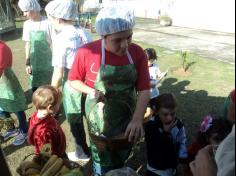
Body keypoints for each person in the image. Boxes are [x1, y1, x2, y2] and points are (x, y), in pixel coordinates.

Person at [68, 7, 150, 175]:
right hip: (98, 120)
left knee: (122, 152)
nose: (125, 45)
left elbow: (144, 89)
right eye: (118, 40)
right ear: (103, 36)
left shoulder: (137, 53)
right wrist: (91, 91)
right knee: (102, 158)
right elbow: (73, 80)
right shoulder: (86, 52)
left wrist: (136, 120)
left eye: (129, 37)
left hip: (127, 116)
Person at [45, 0, 92, 162]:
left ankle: (82, 152)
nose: (50, 22)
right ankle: (98, 146)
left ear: (58, 18)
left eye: (50, 18)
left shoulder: (61, 39)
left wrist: (51, 93)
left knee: (74, 120)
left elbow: (58, 72)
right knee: (91, 117)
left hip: (73, 83)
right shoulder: (85, 32)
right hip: (90, 82)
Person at [190, 89, 235, 176]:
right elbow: (187, 160)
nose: (221, 144)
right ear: (207, 137)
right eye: (216, 139)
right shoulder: (196, 147)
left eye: (225, 139)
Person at [145, 93, 188, 176]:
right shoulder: (151, 126)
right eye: (165, 114)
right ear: (156, 111)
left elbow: (182, 140)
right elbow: (155, 148)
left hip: (171, 168)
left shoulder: (178, 125)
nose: (170, 118)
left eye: (173, 114)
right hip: (155, 170)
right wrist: (166, 133)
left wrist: (183, 158)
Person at [18, 0, 53, 92]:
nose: (24, 14)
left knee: (48, 87)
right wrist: (27, 62)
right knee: (36, 88)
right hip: (34, 62)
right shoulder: (27, 24)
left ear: (33, 9)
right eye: (23, 11)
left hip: (47, 62)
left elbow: (53, 43)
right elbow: (28, 44)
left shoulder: (48, 22)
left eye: (26, 11)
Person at [0, 41, 28, 146]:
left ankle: (24, 130)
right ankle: (11, 128)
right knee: (1, 107)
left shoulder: (2, 47)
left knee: (16, 106)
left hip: (6, 81)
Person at [27, 85, 67, 158]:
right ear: (50, 108)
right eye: (59, 104)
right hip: (56, 158)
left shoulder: (38, 116)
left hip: (58, 150)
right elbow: (46, 154)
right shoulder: (43, 131)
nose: (60, 106)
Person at [144, 48, 167, 121]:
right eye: (148, 60)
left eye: (152, 60)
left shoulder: (155, 66)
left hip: (154, 94)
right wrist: (148, 84)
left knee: (155, 108)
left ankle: (153, 120)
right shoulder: (140, 67)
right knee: (146, 111)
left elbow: (158, 75)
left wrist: (162, 75)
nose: (150, 62)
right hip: (144, 94)